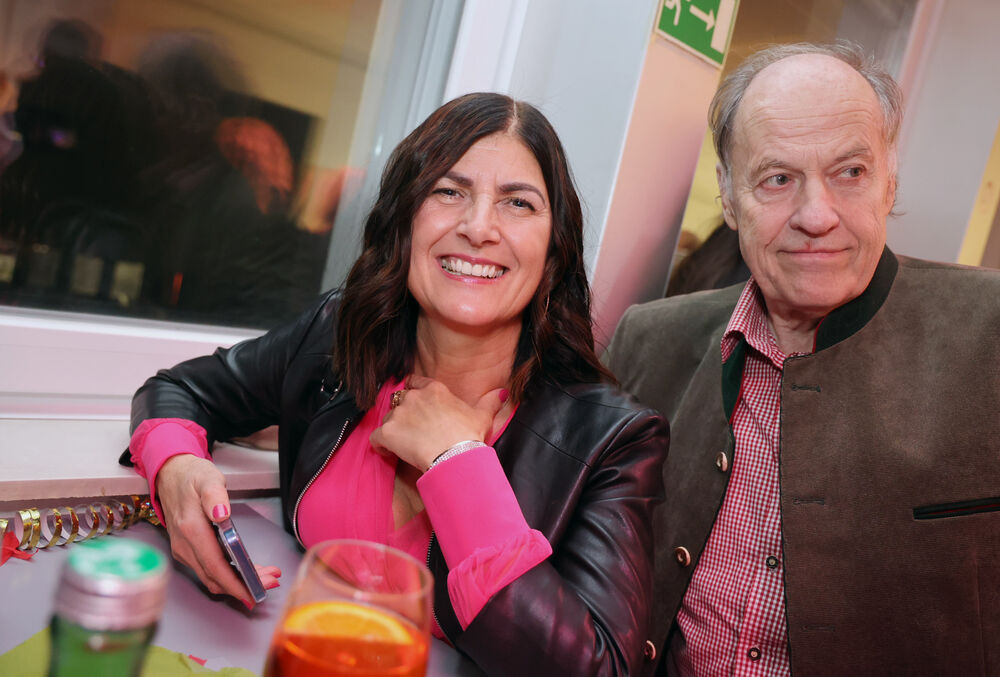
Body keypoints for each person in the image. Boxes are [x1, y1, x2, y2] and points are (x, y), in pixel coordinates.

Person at [124, 92, 668, 675]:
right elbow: (181, 390)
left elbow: (599, 667)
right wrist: (176, 467)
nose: (478, 227)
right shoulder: (338, 336)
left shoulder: (613, 439)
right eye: (449, 192)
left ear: (554, 250)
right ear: (404, 219)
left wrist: (456, 462)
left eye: (518, 203)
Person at [605, 42, 1000, 676]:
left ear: (890, 180)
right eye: (778, 179)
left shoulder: (990, 336)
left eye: (850, 172)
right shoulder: (649, 343)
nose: (817, 216)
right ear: (728, 196)